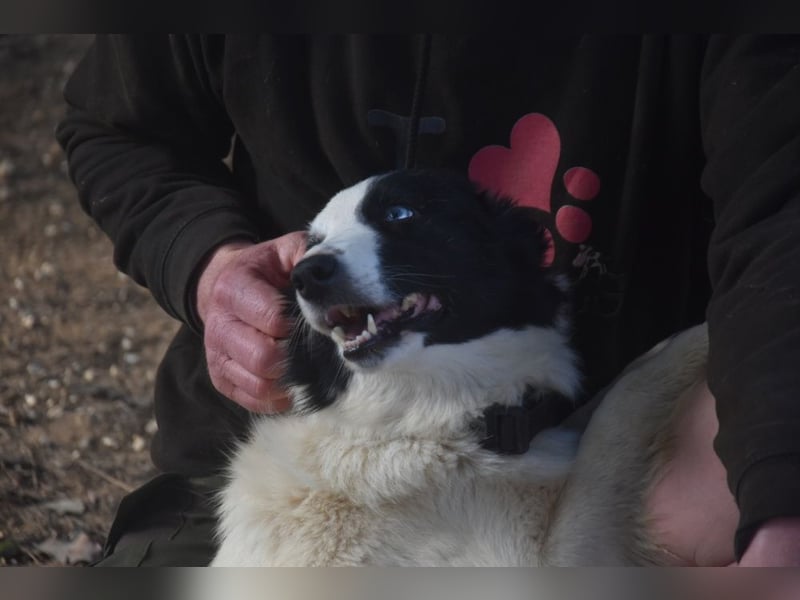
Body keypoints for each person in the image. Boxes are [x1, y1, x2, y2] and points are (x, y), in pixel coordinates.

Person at [56, 35, 800, 566]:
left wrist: (779, 500)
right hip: (272, 447)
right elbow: (113, 127)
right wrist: (209, 265)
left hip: (590, 444)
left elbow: (782, 216)